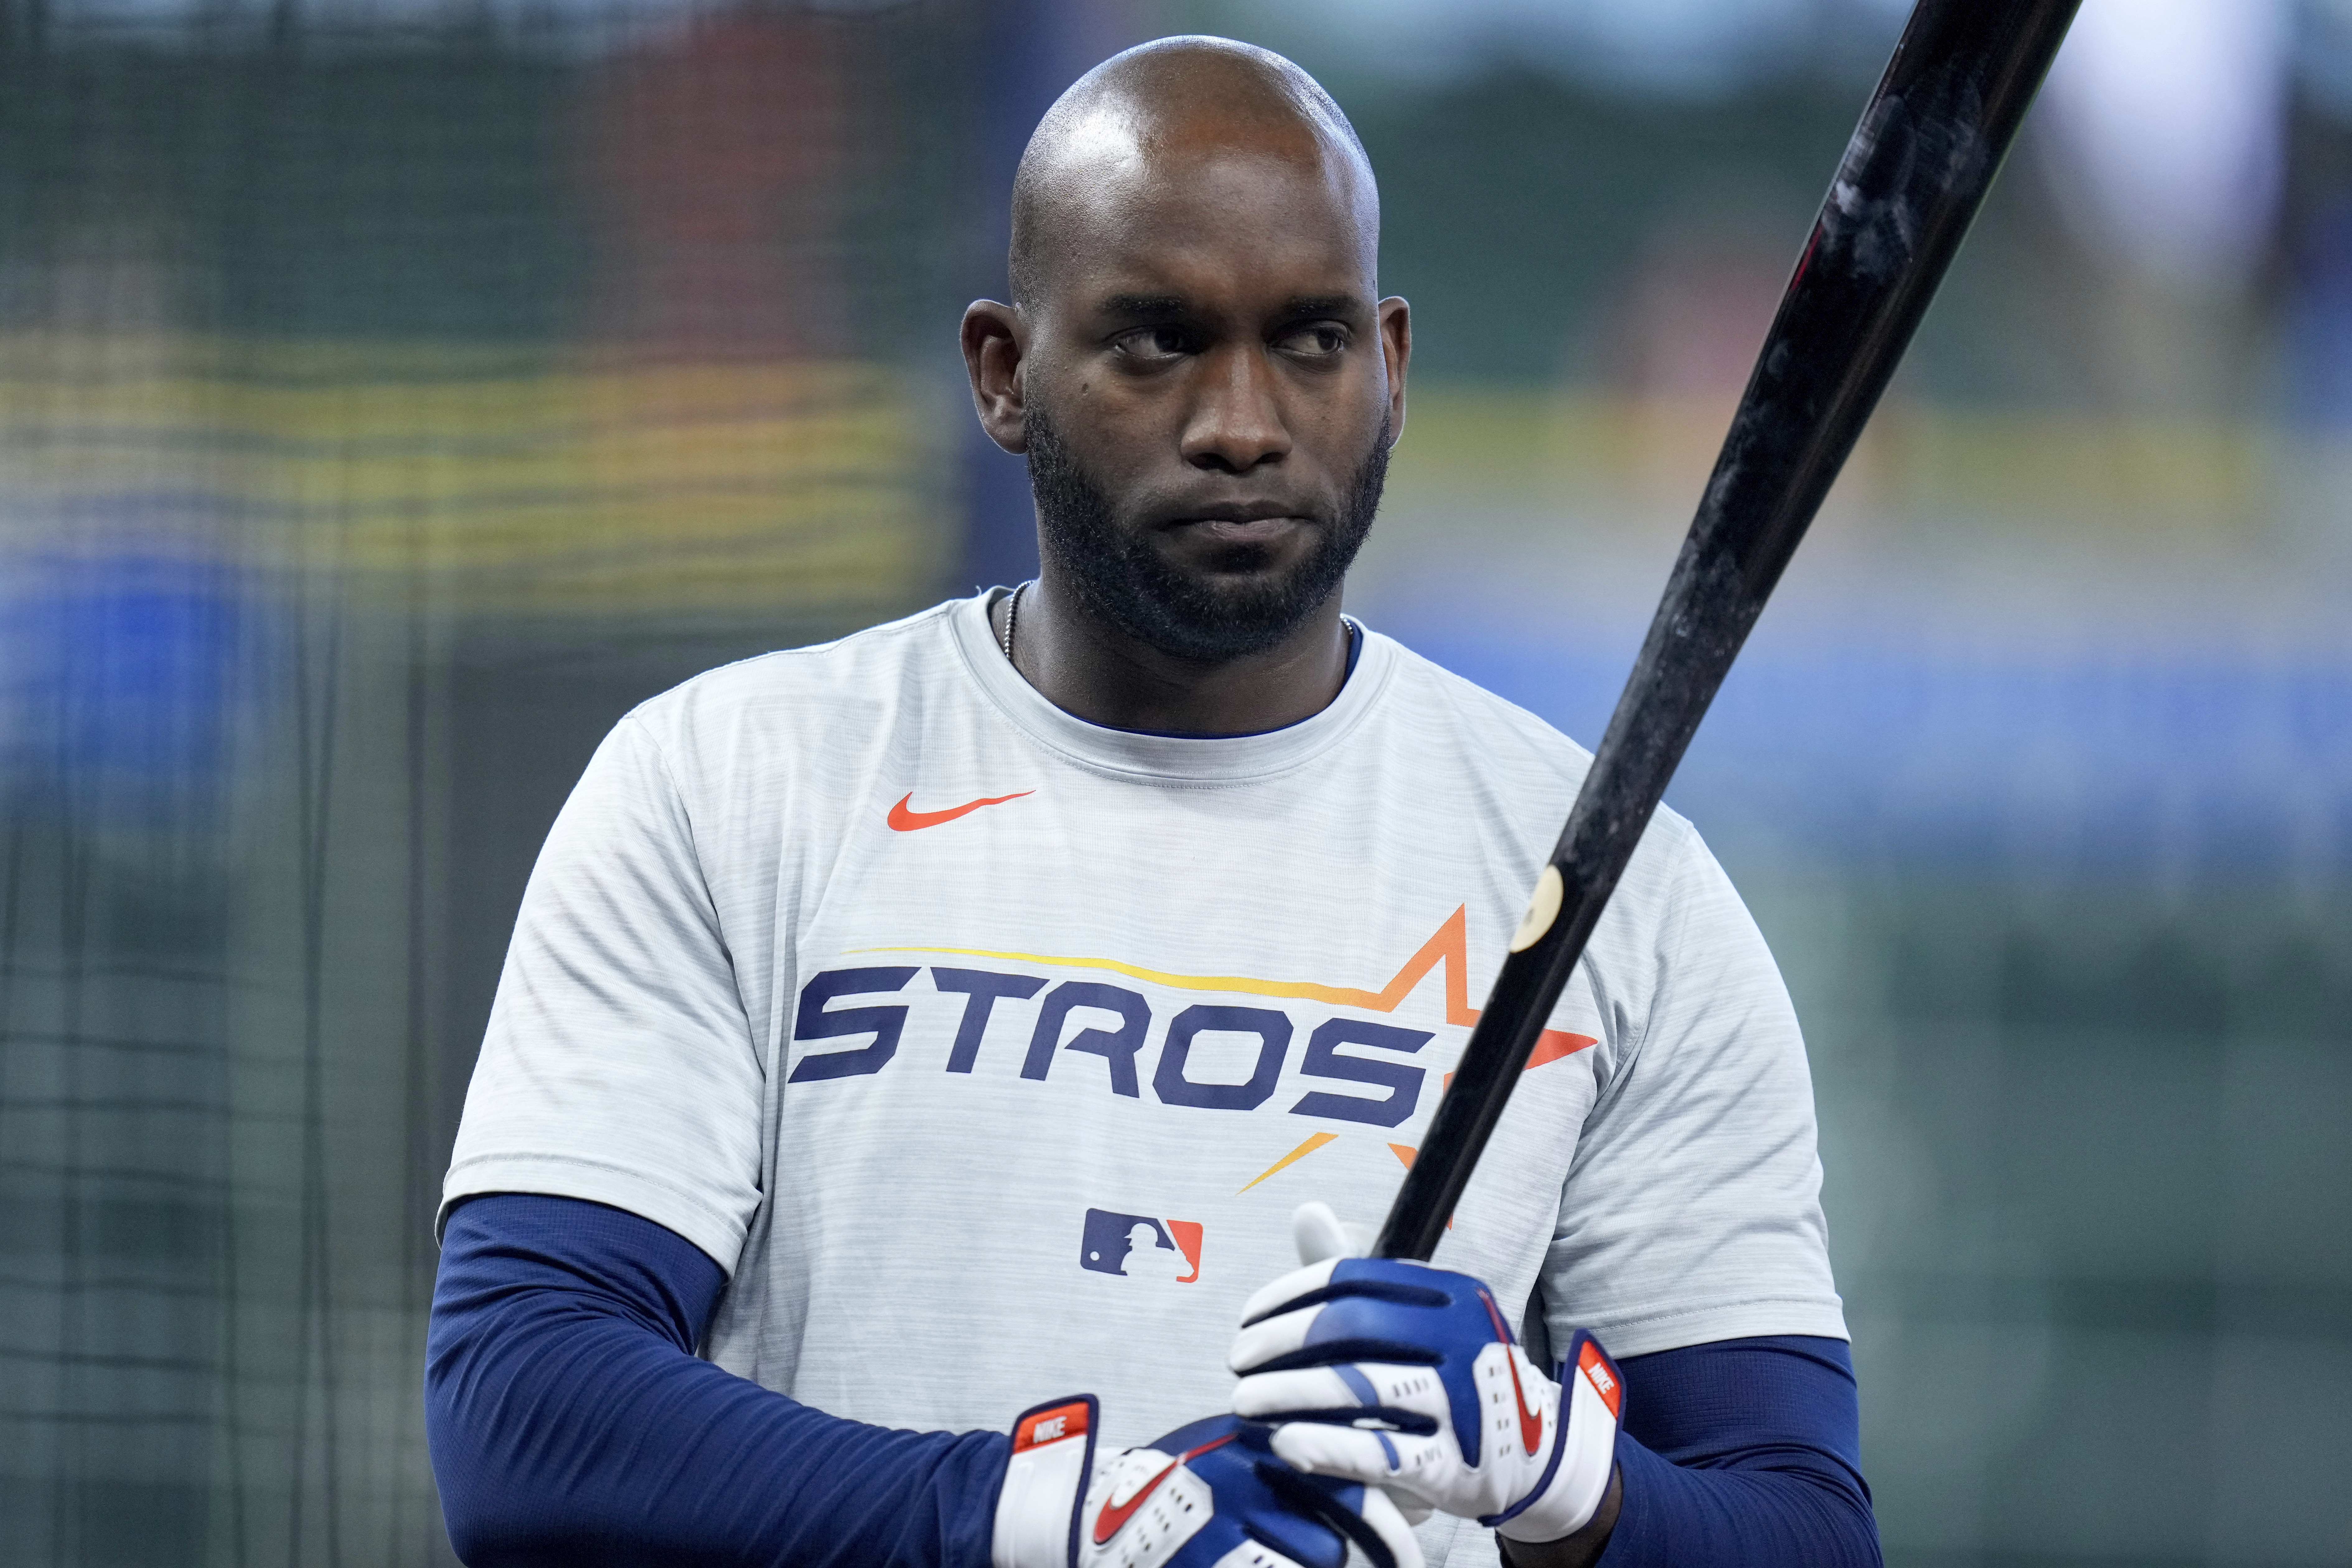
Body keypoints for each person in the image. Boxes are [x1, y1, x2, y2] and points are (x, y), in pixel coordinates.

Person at [426, 35, 1879, 1568]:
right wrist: (1057, 1521)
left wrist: (1557, 1479)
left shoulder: (1617, 891)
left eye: (1309, 342)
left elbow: (1796, 1524)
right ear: (1003, 371)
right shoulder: (731, 786)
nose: (1242, 422)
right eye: (1157, 342)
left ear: (1389, 365)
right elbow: (525, 1414)